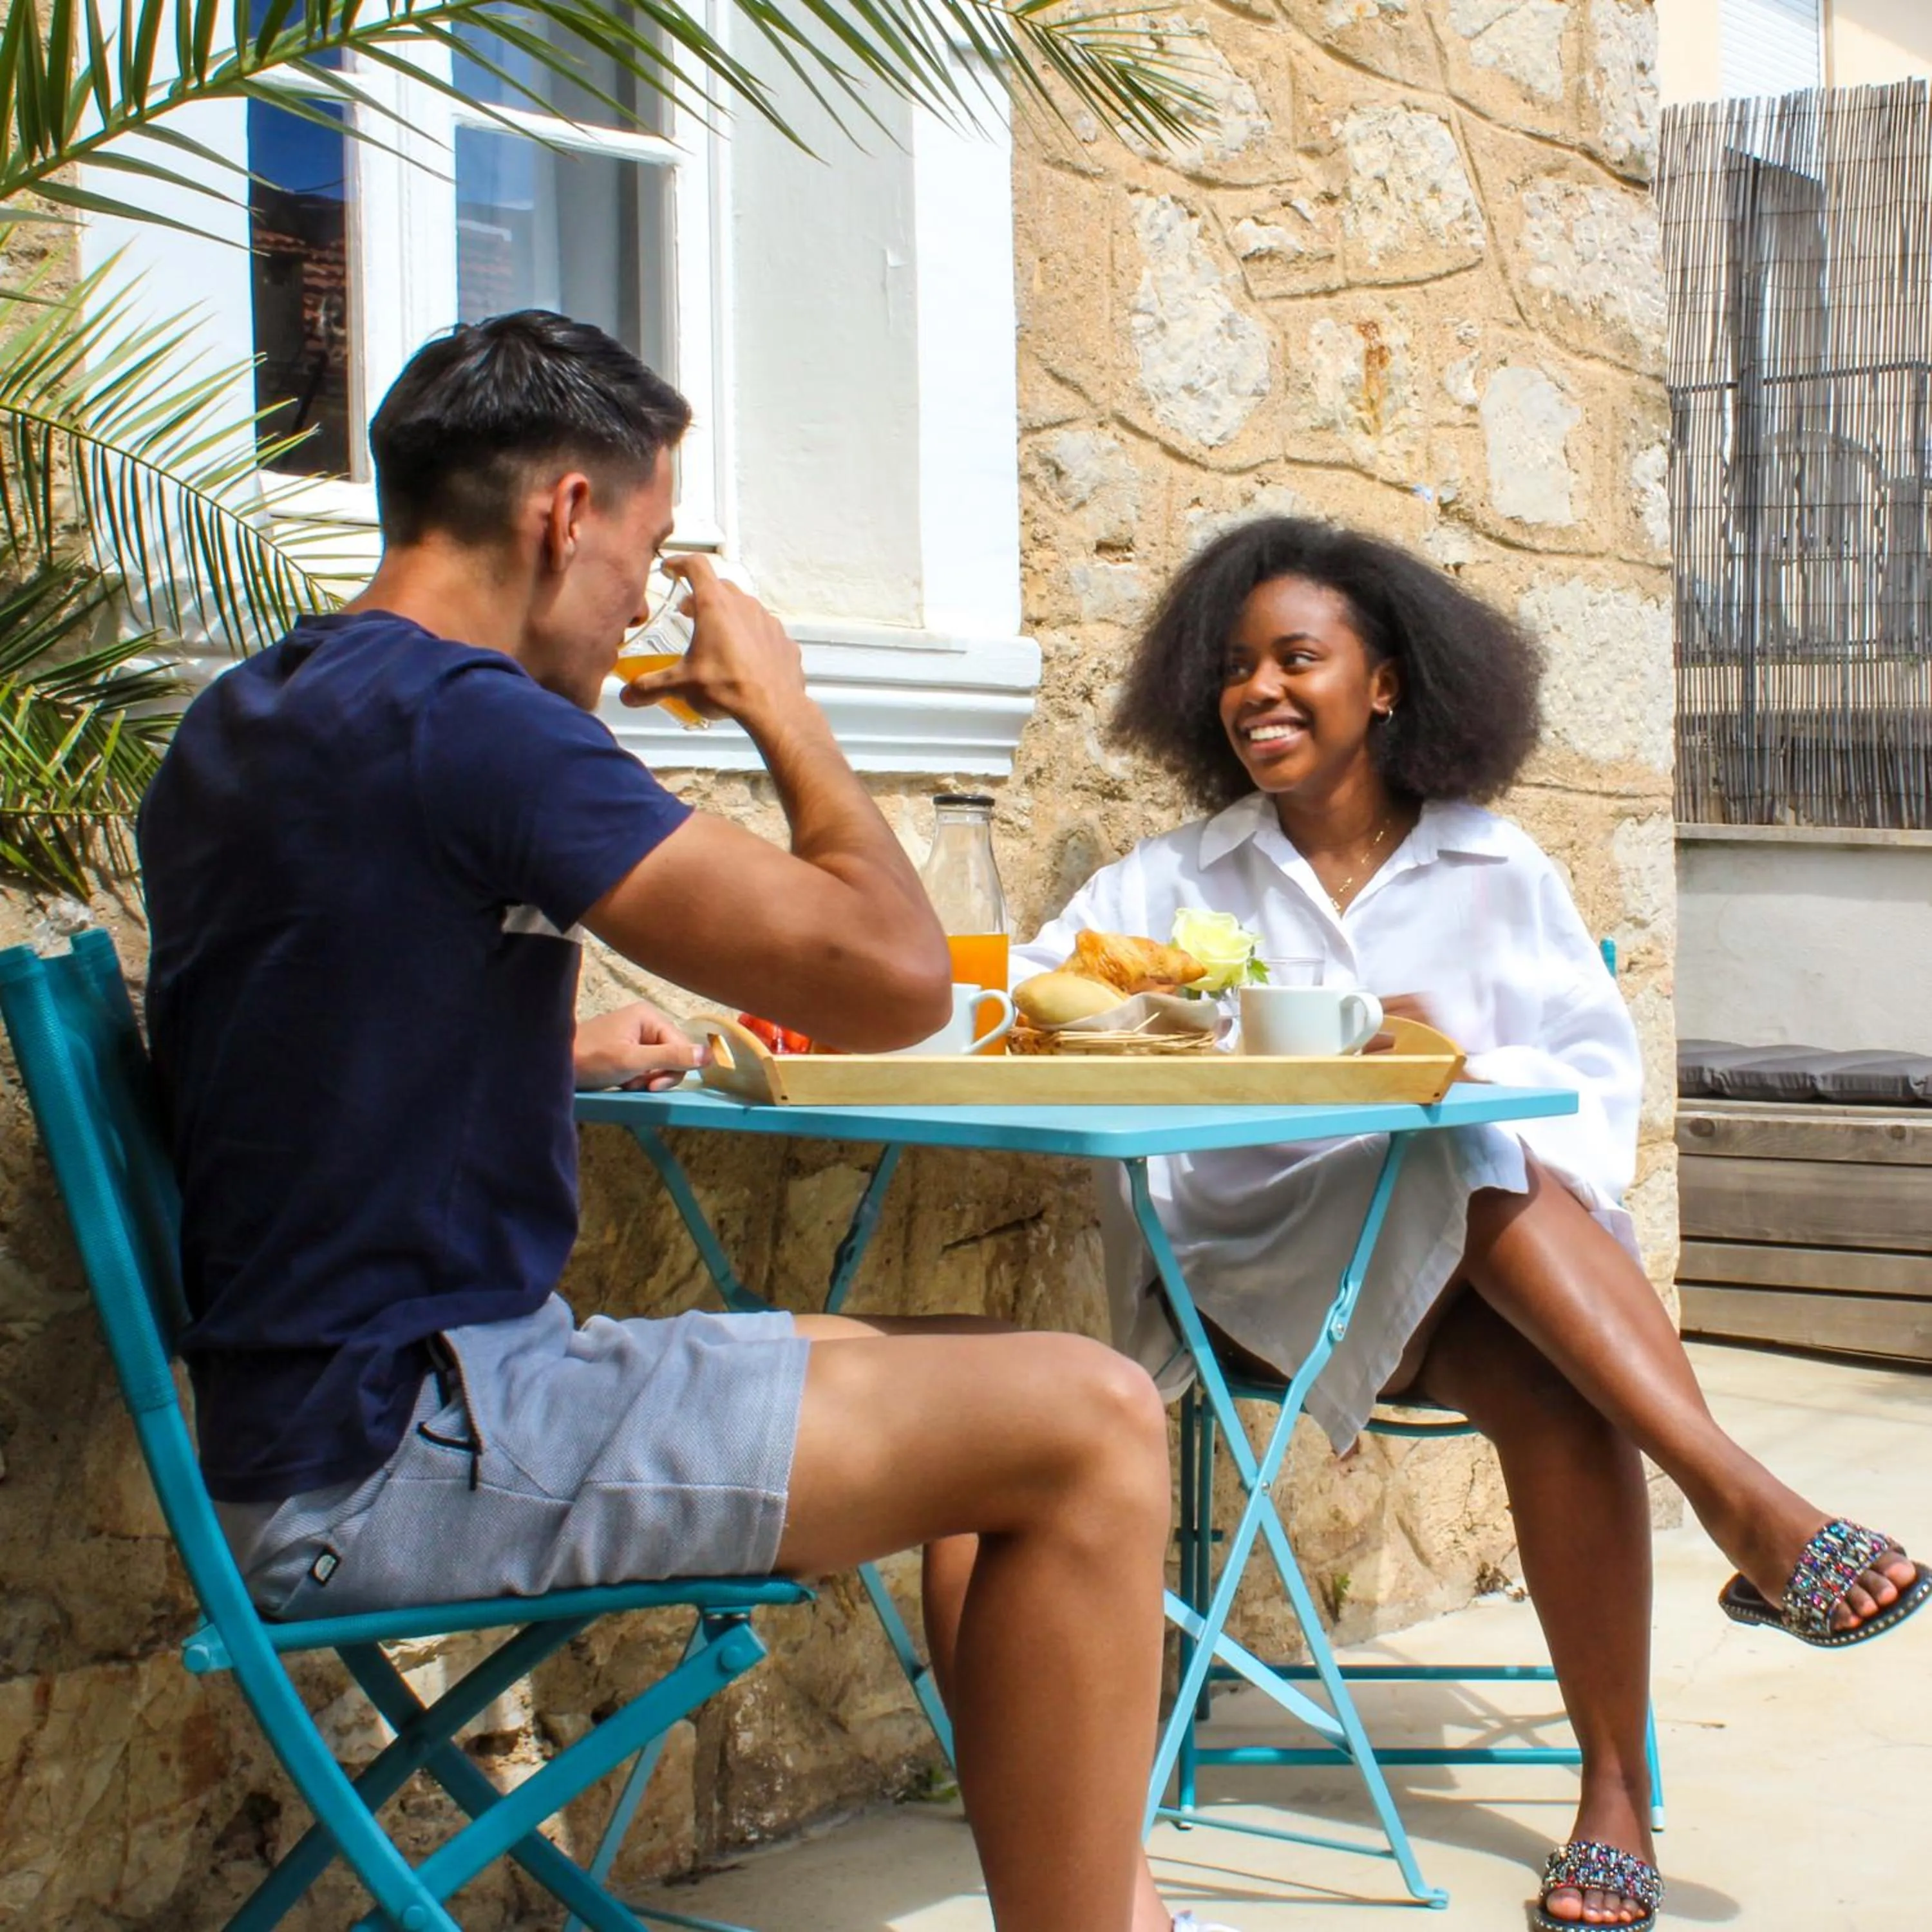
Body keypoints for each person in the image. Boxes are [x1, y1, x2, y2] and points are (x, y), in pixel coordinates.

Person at [137, 310, 1207, 1932]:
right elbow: (890, 980)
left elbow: (294, 1014)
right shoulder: (474, 722)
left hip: (327, 1408)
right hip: (400, 1444)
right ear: (567, 515)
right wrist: (786, 707)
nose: (645, 600)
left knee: (937, 1361)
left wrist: (542, 1051)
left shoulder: (254, 715)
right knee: (1100, 1415)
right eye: (644, 548)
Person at [1012, 516, 1931, 1932]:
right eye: (1237, 669)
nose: (1258, 691)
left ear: (1385, 684)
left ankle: (1612, 1796)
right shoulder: (1173, 882)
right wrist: (1183, 1021)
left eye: (1297, 659)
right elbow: (1031, 998)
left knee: (1541, 1342)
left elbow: (1593, 1089)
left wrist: (1449, 1062)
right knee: (1466, 1150)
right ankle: (1740, 1499)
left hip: (1468, 1273)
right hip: (1259, 1263)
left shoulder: (1498, 870)